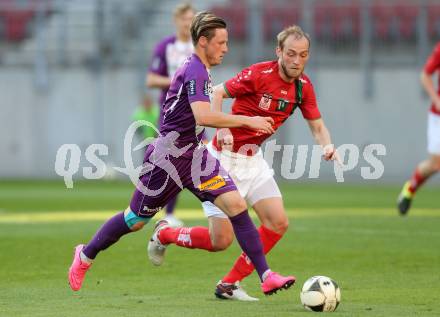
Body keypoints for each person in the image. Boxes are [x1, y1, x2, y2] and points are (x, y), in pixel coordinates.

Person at [68, 11, 295, 296]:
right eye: (221, 42)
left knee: (237, 205)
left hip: (196, 156)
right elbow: (204, 115)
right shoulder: (195, 70)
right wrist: (248, 121)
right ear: (203, 42)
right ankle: (85, 255)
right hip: (167, 158)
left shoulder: (202, 67)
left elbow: (201, 116)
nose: (226, 48)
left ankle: (266, 276)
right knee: (135, 220)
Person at [147, 25, 340, 300]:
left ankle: (229, 283)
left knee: (277, 223)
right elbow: (216, 93)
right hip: (220, 160)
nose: (297, 61)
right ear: (279, 52)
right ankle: (166, 234)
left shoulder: (303, 87)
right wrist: (220, 128)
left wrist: (328, 146)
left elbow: (318, 126)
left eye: (303, 55)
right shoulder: (259, 74)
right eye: (291, 54)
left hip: (253, 161)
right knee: (221, 241)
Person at [146, 2, 196, 227]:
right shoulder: (166, 46)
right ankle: (167, 213)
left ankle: (217, 206)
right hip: (171, 113)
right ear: (176, 20)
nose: (188, 23)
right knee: (171, 163)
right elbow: (151, 79)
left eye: (191, 18)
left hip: (197, 112)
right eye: (184, 18)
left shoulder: (199, 46)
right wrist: (178, 81)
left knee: (204, 158)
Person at [397, 43, 440, 215]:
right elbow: (425, 75)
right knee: (436, 164)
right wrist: (436, 99)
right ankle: (410, 189)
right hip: (438, 116)